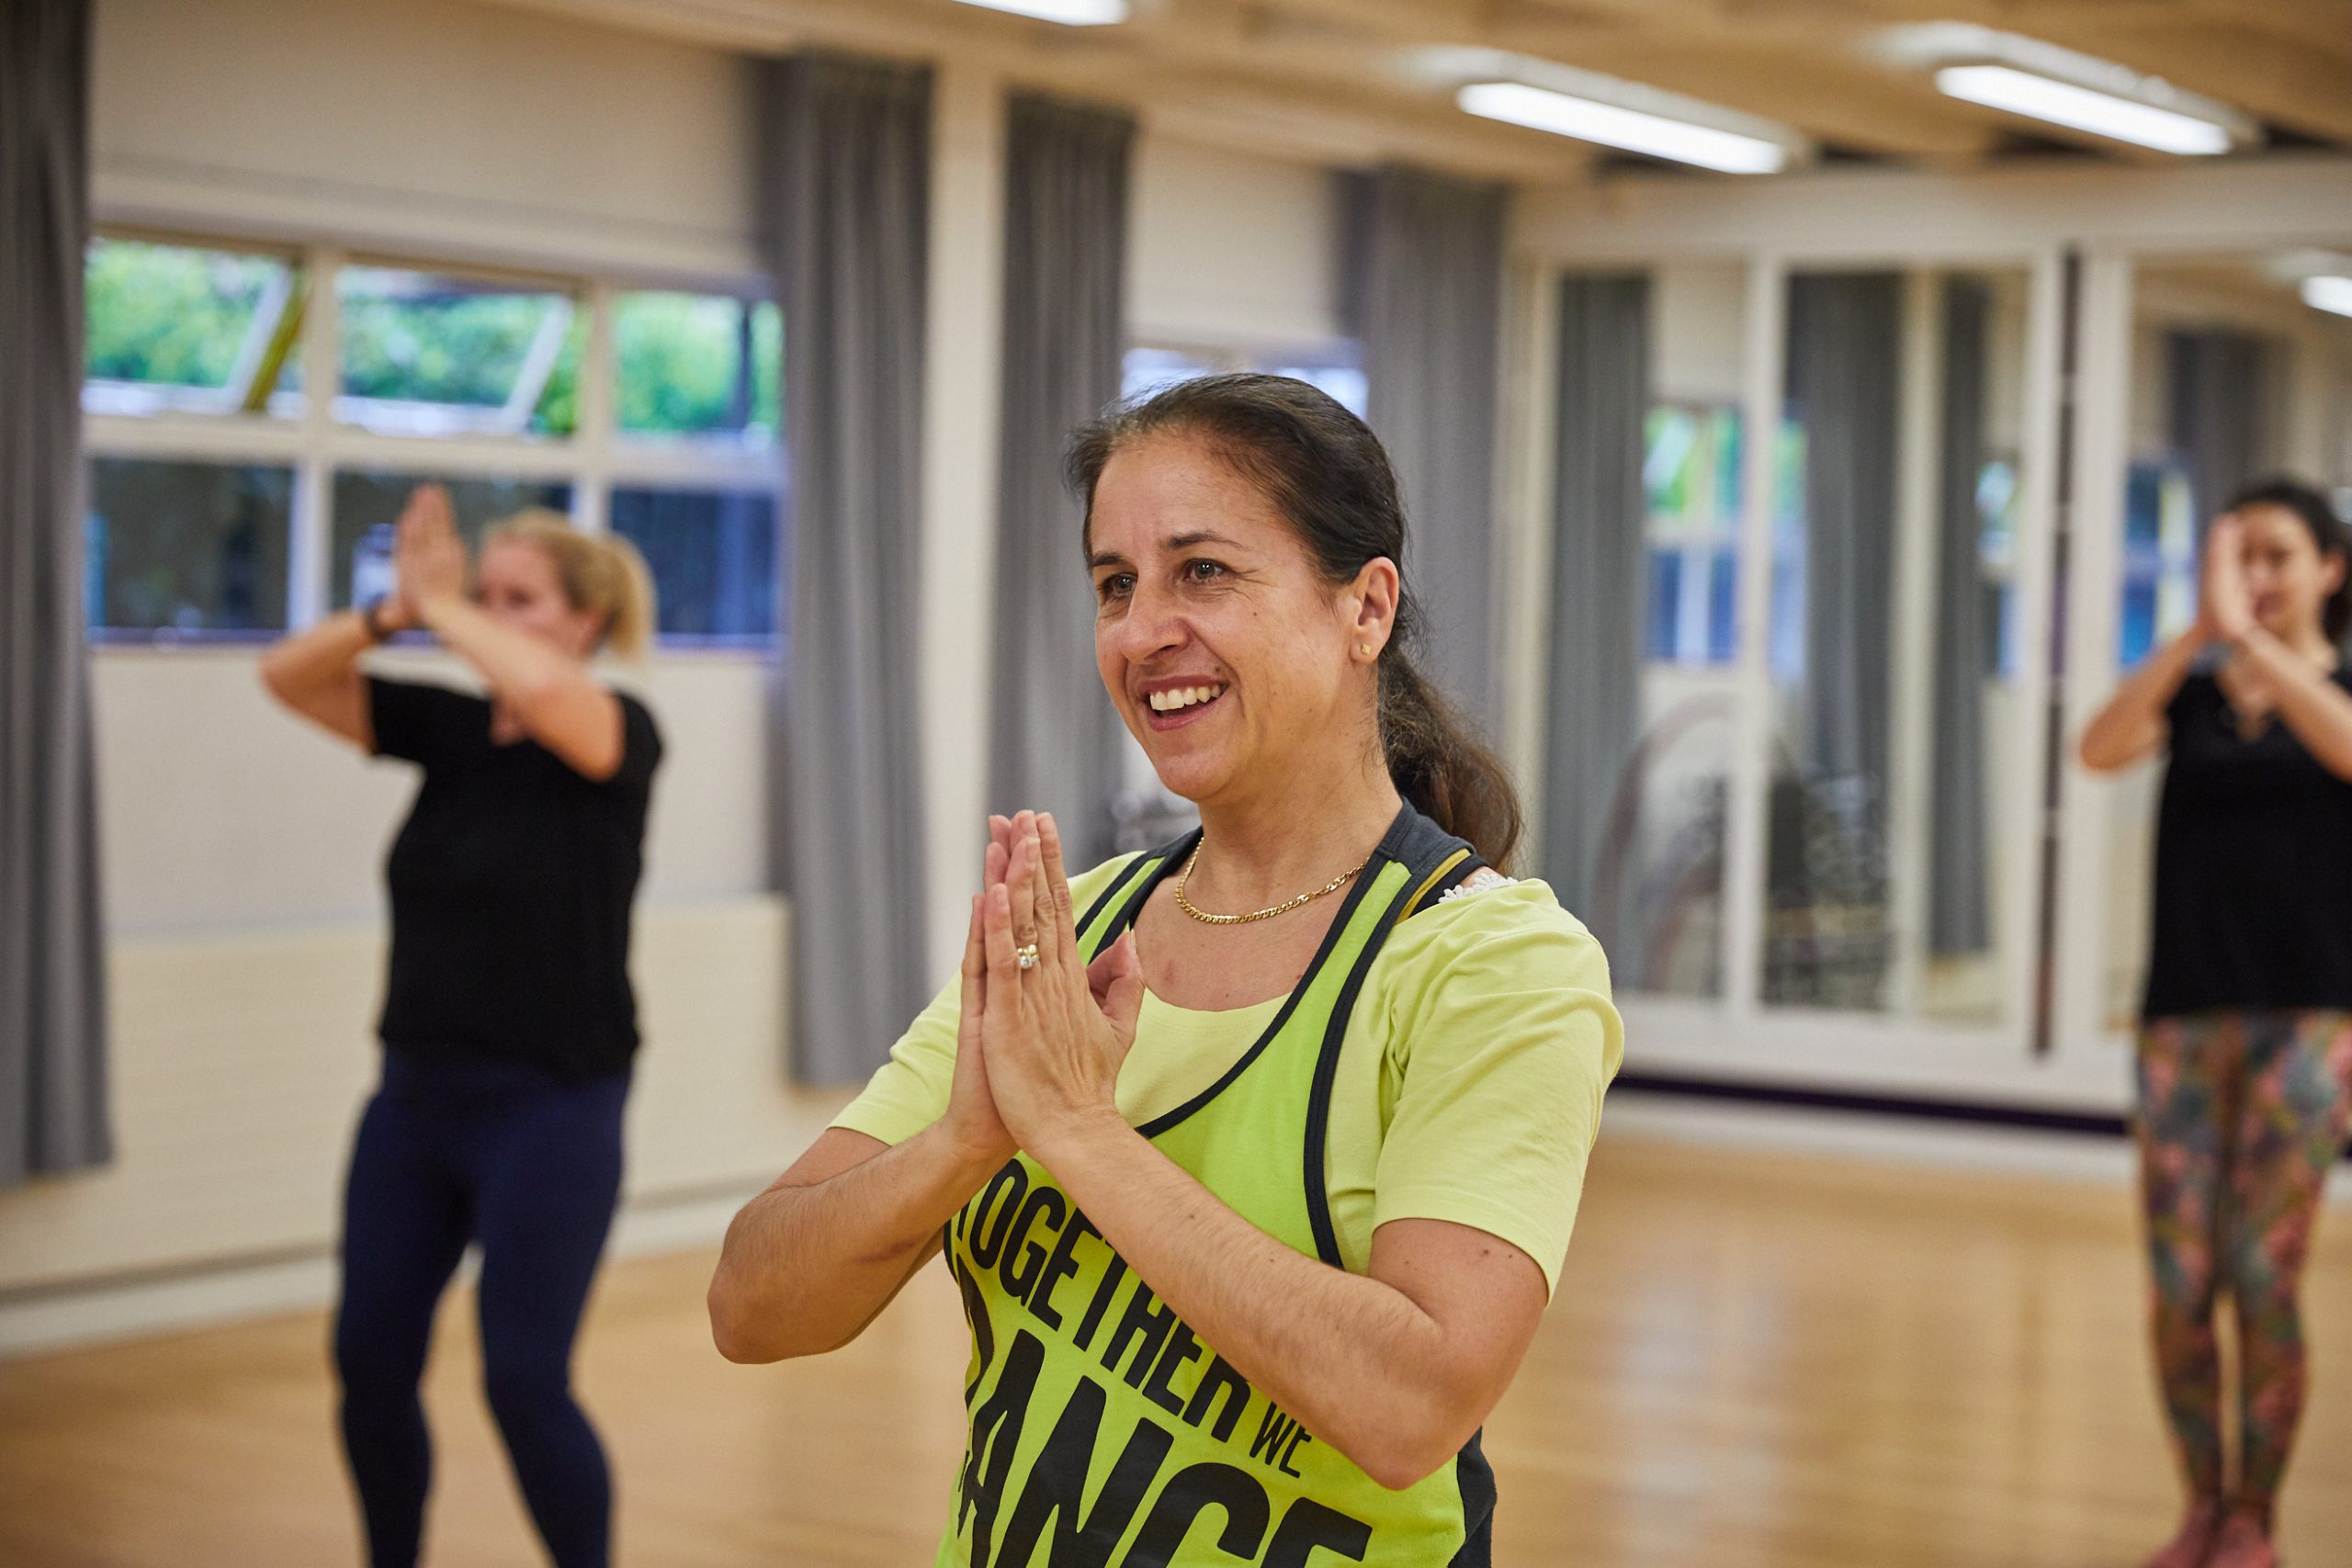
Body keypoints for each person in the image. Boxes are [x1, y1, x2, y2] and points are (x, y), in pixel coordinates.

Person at [709, 373, 1623, 1563]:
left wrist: (1079, 1132)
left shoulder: (1494, 962)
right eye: (1114, 583)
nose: (1144, 630)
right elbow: (751, 1303)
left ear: (1366, 607)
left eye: (1204, 570)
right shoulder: (1070, 930)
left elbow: (1414, 1403)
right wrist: (966, 1139)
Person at [258, 485, 663, 1568]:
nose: (482, 617)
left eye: (515, 599)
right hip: (415, 1101)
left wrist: (443, 609)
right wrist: (397, 613)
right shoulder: (447, 731)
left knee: (523, 1379)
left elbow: (544, 692)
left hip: (553, 1108)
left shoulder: (616, 734)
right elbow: (286, 676)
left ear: (583, 620)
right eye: (482, 596)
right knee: (370, 1360)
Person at [2079, 479, 2352, 1568]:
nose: (2258, 577)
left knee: (2260, 1271)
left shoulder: (2329, 689)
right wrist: (2197, 637)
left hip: (2310, 1024)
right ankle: (2201, 1506)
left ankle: (2257, 1518)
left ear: (2330, 567)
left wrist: (2256, 645)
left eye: (2277, 554)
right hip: (2182, 1023)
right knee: (2181, 1285)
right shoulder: (2193, 696)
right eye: (2237, 557)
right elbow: (2096, 749)